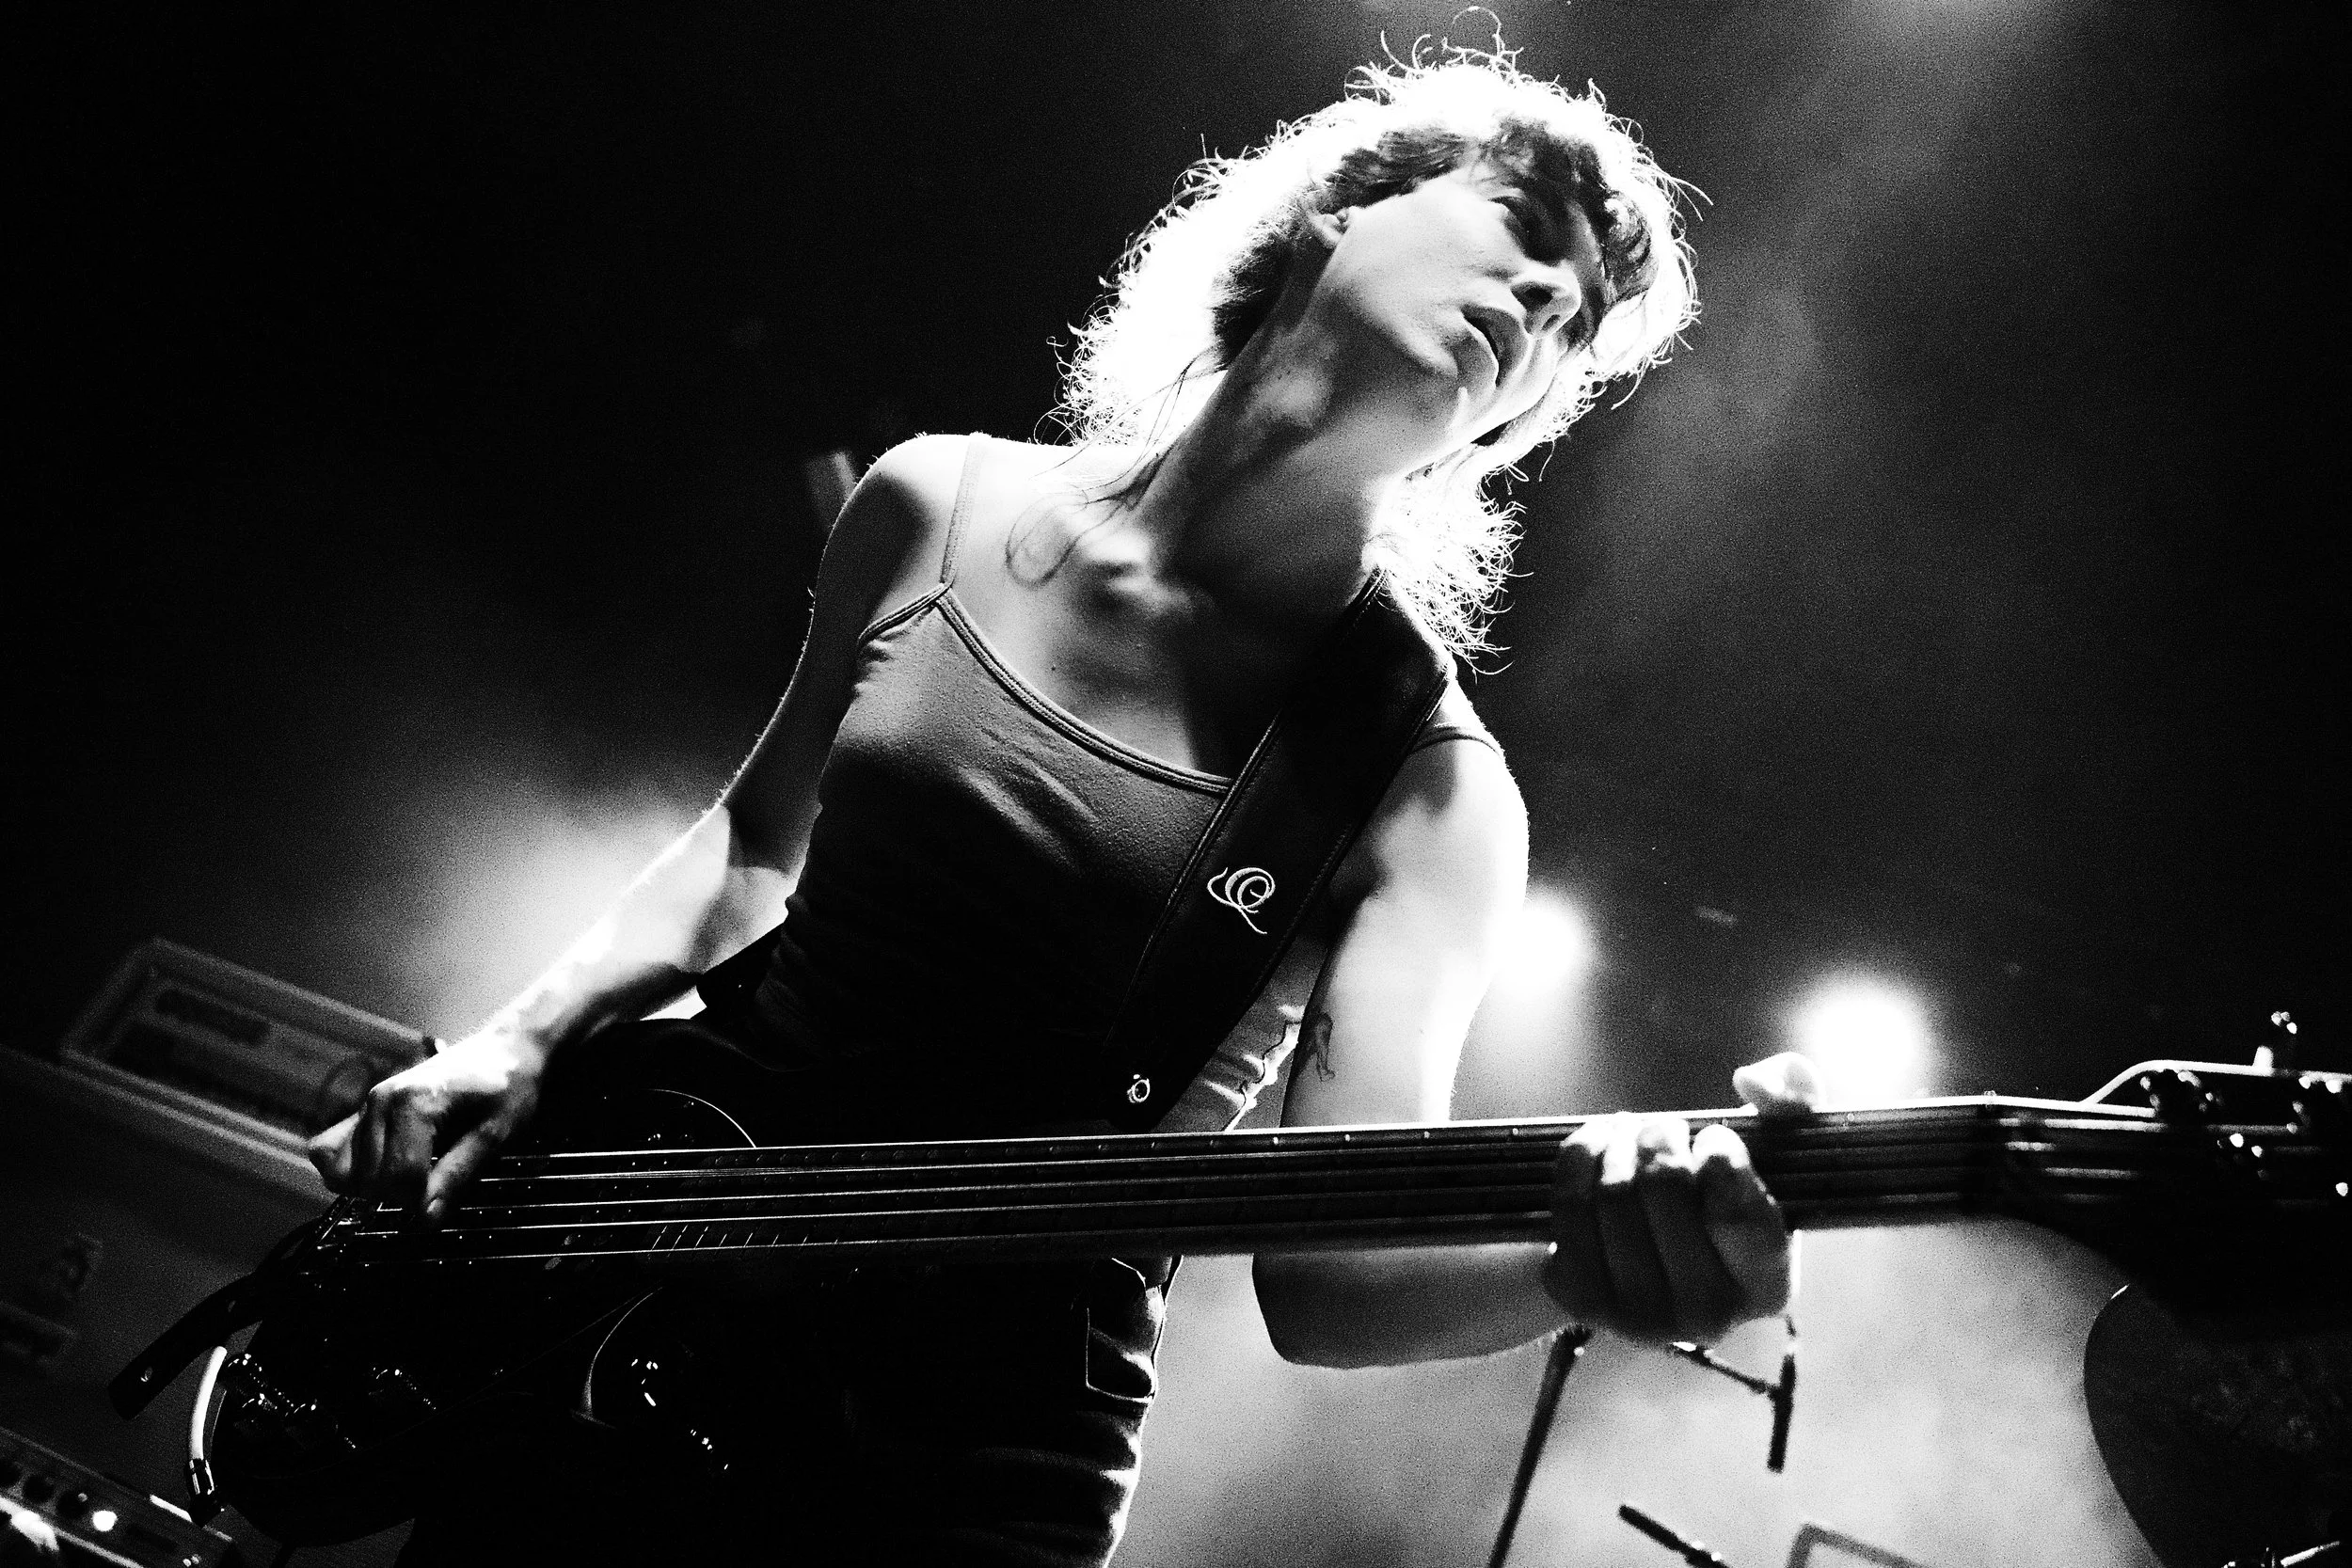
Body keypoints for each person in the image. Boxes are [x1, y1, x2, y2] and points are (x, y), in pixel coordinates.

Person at [310, 51, 1815, 1567]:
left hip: (961, 1472)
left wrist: (1586, 1267)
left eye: (1576, 323)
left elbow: (1328, 1283)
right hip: (625, 1334)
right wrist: (519, 1039)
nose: (1546, 301)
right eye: (1524, 229)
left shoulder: (1426, 786)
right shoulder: (929, 504)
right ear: (1339, 210)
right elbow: (755, 843)